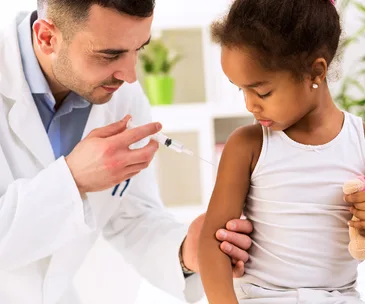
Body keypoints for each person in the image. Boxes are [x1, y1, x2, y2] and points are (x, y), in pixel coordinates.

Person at [0, 1, 254, 303]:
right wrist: (73, 179)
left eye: (139, 49)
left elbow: (132, 218)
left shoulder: (121, 96)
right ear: (46, 37)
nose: (131, 76)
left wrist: (186, 252)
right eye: (110, 54)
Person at [199, 0, 365, 303]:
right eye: (241, 90)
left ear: (315, 73)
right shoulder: (248, 145)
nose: (250, 104)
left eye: (262, 92)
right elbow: (212, 242)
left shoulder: (361, 141)